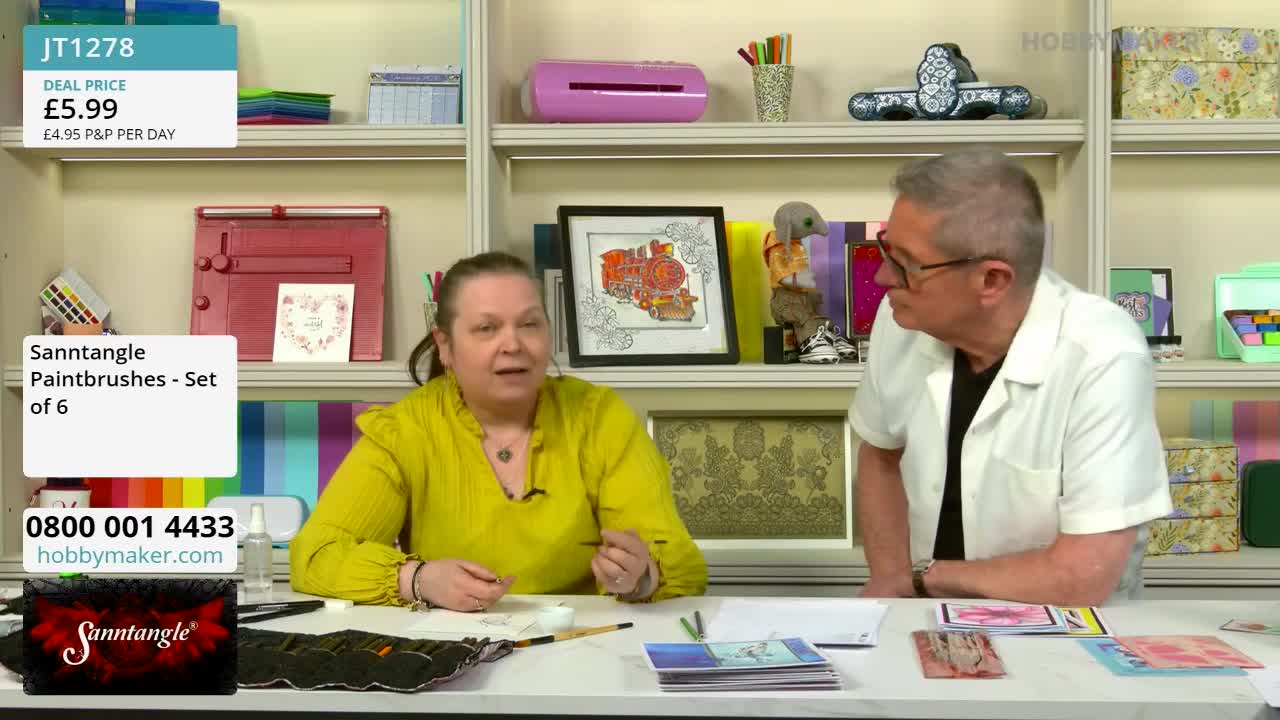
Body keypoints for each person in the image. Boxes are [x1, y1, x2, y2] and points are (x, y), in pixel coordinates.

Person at [289, 251, 707, 611]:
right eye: (487, 328)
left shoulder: (599, 417)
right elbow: (315, 556)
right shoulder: (404, 430)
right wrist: (417, 580)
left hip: (584, 648)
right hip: (451, 654)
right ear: (445, 345)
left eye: (529, 324)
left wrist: (641, 577)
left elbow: (679, 560)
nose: (513, 345)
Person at [851, 147, 1173, 606]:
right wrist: (891, 579)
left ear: (992, 280)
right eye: (887, 250)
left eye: (906, 263)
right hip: (923, 611)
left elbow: (1082, 577)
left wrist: (923, 578)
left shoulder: (1103, 355)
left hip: (1064, 628)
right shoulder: (901, 317)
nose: (883, 277)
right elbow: (880, 454)